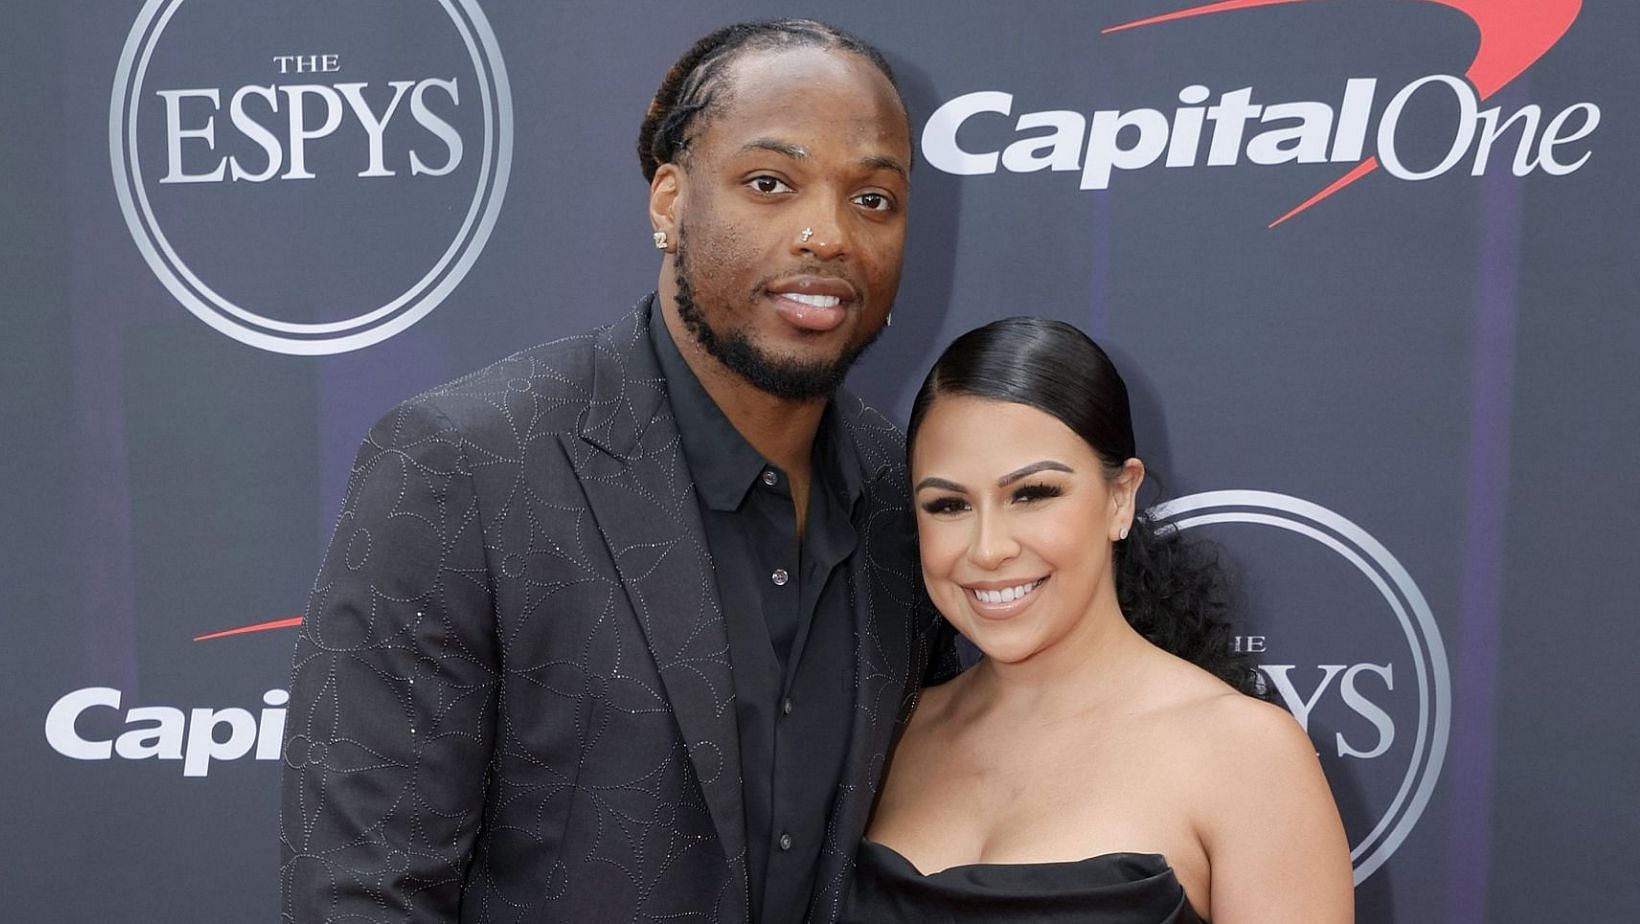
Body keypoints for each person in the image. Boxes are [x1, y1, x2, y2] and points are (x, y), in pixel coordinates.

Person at [280, 19, 949, 924]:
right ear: (669, 202)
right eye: (769, 183)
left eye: (874, 198)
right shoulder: (466, 466)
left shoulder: (908, 497)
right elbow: (362, 893)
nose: (828, 235)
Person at [842, 318, 1354, 923]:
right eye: (948, 505)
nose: (987, 549)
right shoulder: (889, 730)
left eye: (1032, 494)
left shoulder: (1246, 755)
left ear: (1120, 498)